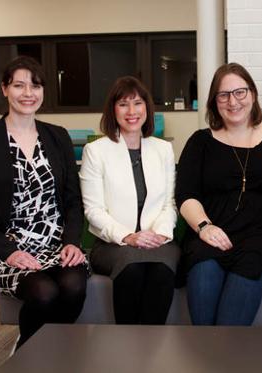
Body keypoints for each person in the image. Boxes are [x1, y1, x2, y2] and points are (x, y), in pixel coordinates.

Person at [0, 56, 88, 349]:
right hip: (10, 250)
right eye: (19, 85)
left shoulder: (57, 136)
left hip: (57, 245)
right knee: (44, 292)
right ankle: (28, 349)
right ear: (4, 89)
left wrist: (73, 241)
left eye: (35, 86)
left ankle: (58, 349)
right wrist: (8, 252)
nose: (28, 93)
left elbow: (73, 200)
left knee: (74, 286)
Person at [175, 62, 262, 325]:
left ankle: (225, 361)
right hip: (211, 235)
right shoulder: (200, 142)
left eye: (240, 92)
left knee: (247, 274)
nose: (233, 102)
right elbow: (186, 194)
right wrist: (204, 227)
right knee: (203, 270)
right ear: (214, 101)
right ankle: (207, 361)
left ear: (252, 94)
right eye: (224, 95)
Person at [79, 76, 179, 325]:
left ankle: (152, 349)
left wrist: (159, 234)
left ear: (147, 107)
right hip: (112, 243)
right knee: (132, 266)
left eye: (137, 103)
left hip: (158, 240)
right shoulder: (96, 151)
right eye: (123, 104)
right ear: (113, 110)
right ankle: (126, 347)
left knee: (162, 269)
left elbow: (170, 204)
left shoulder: (162, 149)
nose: (132, 111)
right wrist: (128, 237)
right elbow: (93, 210)